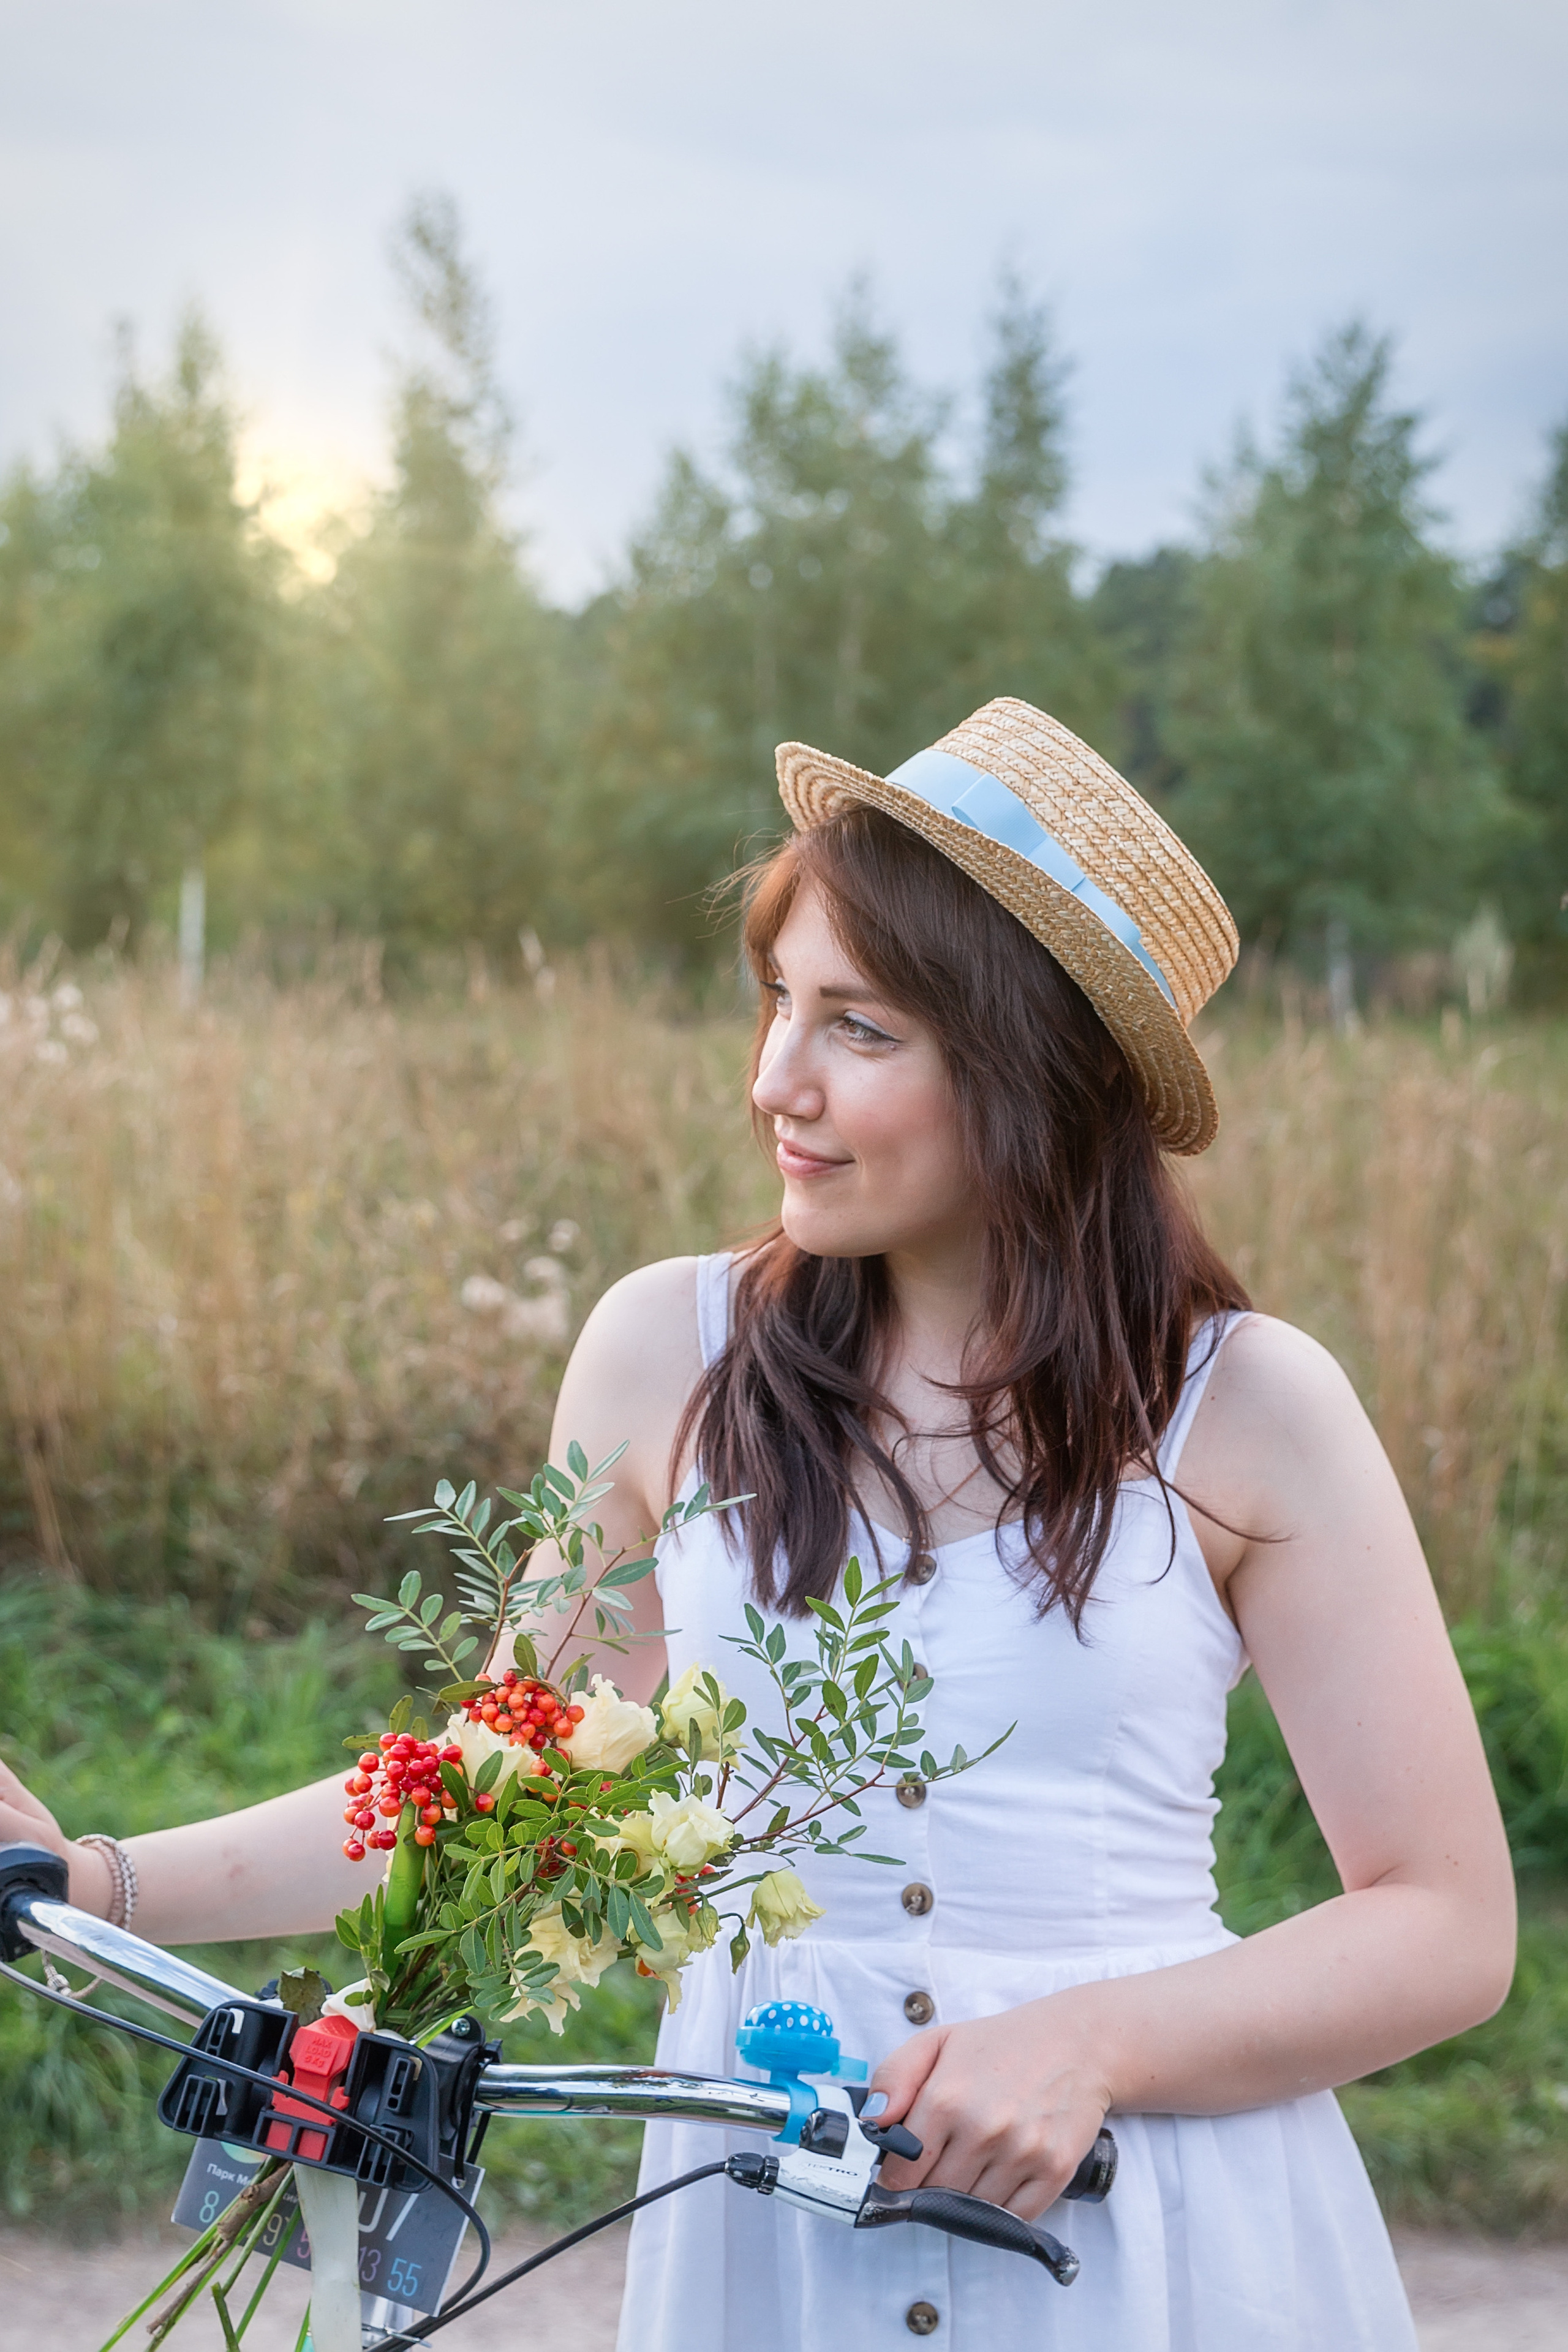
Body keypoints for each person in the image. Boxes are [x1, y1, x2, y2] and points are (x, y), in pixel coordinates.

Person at [0, 698, 1513, 2350]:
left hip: (1153, 2251)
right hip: (769, 2258)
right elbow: (513, 1793)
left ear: (1035, 1072)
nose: (770, 1081)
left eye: (857, 1027)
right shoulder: (668, 1351)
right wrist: (96, 1881)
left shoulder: (1250, 1406)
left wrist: (1093, 2045)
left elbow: (1445, 1921)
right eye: (779, 1001)